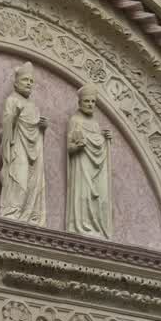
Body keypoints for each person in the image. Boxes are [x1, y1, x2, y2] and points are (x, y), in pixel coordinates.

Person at [0, 62, 48, 224]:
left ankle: (30, 212)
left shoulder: (33, 106)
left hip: (34, 149)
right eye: (25, 80)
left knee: (32, 182)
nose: (29, 83)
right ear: (16, 83)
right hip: (17, 146)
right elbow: (5, 127)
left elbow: (35, 129)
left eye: (31, 81)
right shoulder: (12, 101)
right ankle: (12, 210)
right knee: (18, 178)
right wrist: (13, 118)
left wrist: (42, 128)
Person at [66, 84, 112, 237]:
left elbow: (99, 147)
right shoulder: (75, 121)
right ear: (79, 103)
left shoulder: (95, 124)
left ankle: (97, 227)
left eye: (93, 102)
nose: (90, 104)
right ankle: (81, 225)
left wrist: (106, 141)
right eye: (87, 101)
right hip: (82, 167)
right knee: (83, 196)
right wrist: (78, 146)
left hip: (96, 169)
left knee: (100, 200)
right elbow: (70, 147)